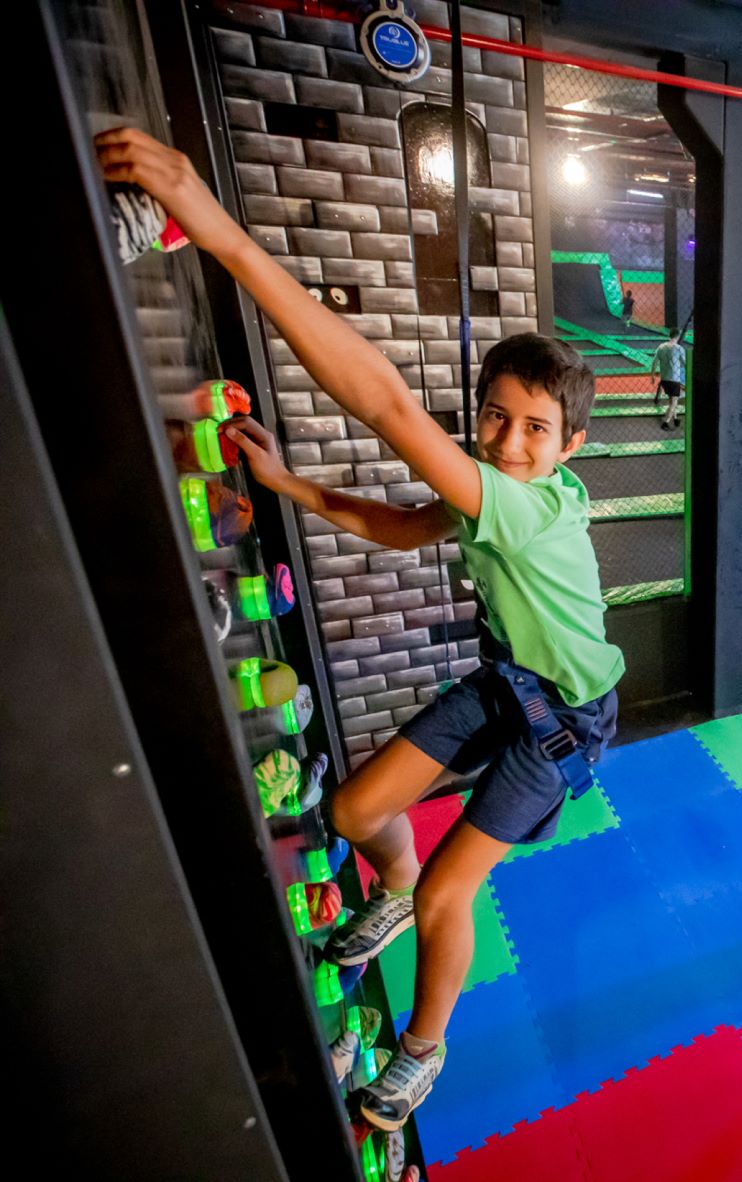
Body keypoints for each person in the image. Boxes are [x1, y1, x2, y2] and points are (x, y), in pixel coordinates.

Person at [96, 128, 625, 1131]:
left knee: (448, 899)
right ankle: (393, 877)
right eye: (496, 417)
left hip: (564, 723)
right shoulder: (489, 494)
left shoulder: (528, 506)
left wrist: (220, 233)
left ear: (570, 447)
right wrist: (289, 484)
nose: (509, 442)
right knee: (350, 813)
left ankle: (422, 1052)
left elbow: (387, 406)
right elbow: (399, 524)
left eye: (535, 429)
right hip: (509, 684)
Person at [652, 330, 687, 431]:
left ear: (669, 335)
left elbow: (655, 362)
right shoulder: (679, 348)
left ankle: (675, 419)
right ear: (678, 336)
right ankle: (665, 422)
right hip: (674, 379)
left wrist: (652, 375)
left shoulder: (661, 347)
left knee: (671, 400)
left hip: (664, 379)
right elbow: (685, 363)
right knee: (674, 402)